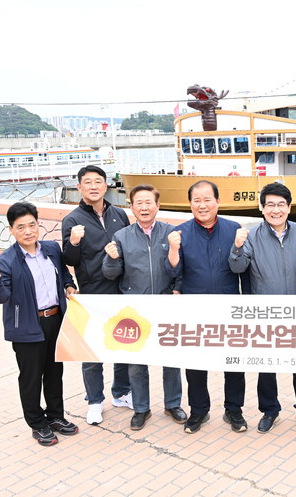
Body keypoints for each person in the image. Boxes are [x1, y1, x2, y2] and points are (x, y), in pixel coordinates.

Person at [229, 182, 296, 433]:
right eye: (270, 205)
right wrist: (237, 247)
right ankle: (270, 410)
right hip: (265, 311)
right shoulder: (251, 235)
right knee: (267, 365)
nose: (276, 210)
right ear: (262, 208)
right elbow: (237, 267)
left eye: (281, 205)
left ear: (289, 207)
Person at [0, 201, 79, 446]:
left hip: (56, 320)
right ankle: (37, 424)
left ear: (38, 225)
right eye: (21, 227)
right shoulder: (6, 261)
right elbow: (1, 297)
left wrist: (69, 285)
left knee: (55, 373)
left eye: (32, 225)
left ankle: (56, 416)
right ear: (11, 230)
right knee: (31, 378)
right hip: (27, 326)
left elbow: (64, 272)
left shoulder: (51, 249)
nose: (28, 231)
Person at [165, 180, 250, 434]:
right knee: (195, 364)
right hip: (195, 307)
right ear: (190, 204)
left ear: (217, 202)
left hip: (229, 306)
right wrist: (173, 249)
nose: (202, 205)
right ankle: (199, 410)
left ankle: (234, 410)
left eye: (207, 199)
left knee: (234, 362)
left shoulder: (234, 229)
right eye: (197, 200)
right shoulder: (180, 233)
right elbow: (173, 271)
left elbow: (243, 269)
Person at [102, 184, 185, 431]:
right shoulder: (121, 236)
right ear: (131, 207)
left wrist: (177, 288)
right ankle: (141, 408)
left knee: (171, 359)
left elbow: (182, 266)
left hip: (165, 305)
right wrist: (111, 258)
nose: (144, 207)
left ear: (157, 206)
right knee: (137, 363)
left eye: (149, 202)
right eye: (139, 203)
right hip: (135, 307)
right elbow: (110, 274)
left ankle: (173, 404)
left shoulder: (171, 232)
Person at [61, 165, 132, 426]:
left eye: (98, 181)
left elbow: (129, 248)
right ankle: (94, 401)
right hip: (91, 293)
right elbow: (69, 260)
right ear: (79, 187)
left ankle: (121, 393)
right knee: (91, 351)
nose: (93, 186)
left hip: (121, 290)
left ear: (106, 185)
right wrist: (74, 242)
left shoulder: (119, 214)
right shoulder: (72, 220)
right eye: (88, 182)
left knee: (124, 345)